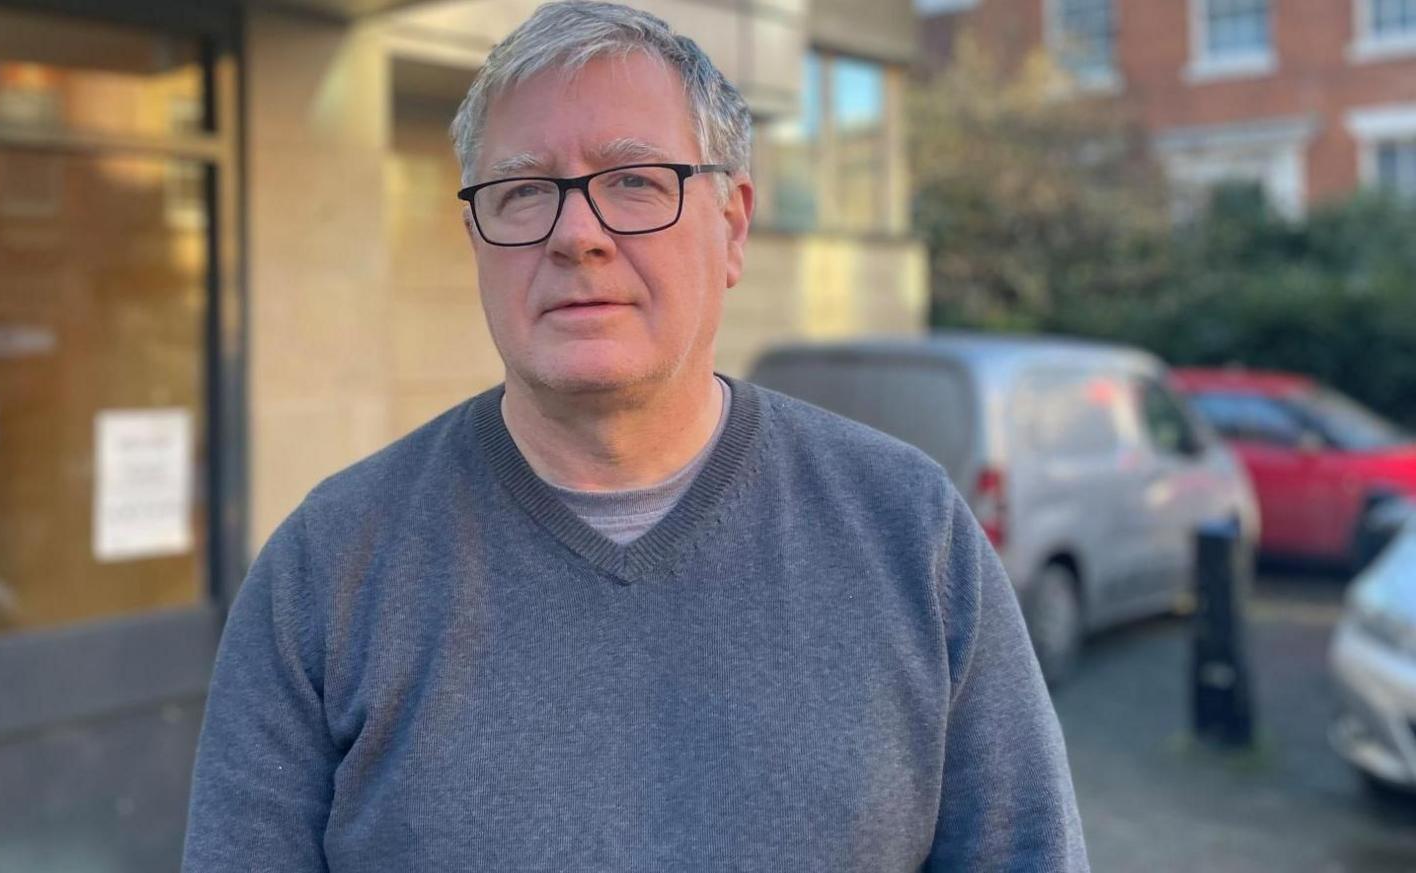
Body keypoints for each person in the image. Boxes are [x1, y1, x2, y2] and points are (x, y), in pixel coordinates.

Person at [182, 2, 1089, 870]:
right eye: (524, 190)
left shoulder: (910, 534)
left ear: (732, 226)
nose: (578, 234)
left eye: (635, 181)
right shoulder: (328, 567)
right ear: (476, 237)